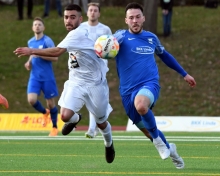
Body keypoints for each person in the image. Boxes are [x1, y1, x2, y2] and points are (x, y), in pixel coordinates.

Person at [14, 4, 115, 164]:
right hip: (76, 82)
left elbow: (57, 52)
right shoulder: (78, 32)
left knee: (102, 123)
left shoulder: (78, 33)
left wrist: (31, 51)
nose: (68, 20)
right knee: (65, 116)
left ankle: (108, 143)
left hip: (96, 85)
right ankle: (75, 119)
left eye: (72, 17)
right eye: (66, 17)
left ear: (80, 19)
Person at [113, 2, 196, 169]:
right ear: (126, 20)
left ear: (143, 18)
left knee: (141, 106)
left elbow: (165, 56)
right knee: (150, 131)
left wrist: (184, 74)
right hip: (126, 92)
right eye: (131, 18)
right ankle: (172, 152)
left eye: (138, 17)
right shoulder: (118, 38)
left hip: (148, 84)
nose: (135, 21)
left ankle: (159, 143)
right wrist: (110, 43)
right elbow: (103, 52)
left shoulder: (151, 38)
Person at [81, 2, 112, 139]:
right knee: (90, 97)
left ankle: (95, 126)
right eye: (90, 10)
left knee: (98, 98)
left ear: (99, 13)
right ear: (87, 13)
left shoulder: (105, 29)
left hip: (100, 69)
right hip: (85, 68)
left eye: (95, 10)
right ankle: (94, 126)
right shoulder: (81, 28)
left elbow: (112, 47)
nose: (92, 12)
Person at [23, 17, 59, 136]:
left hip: (47, 77)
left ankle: (54, 127)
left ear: (44, 27)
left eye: (39, 24)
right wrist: (29, 62)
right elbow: (32, 54)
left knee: (51, 103)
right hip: (35, 76)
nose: (37, 26)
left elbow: (55, 57)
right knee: (31, 100)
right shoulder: (30, 42)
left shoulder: (47, 41)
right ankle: (44, 112)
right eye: (35, 24)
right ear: (32, 28)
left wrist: (41, 54)